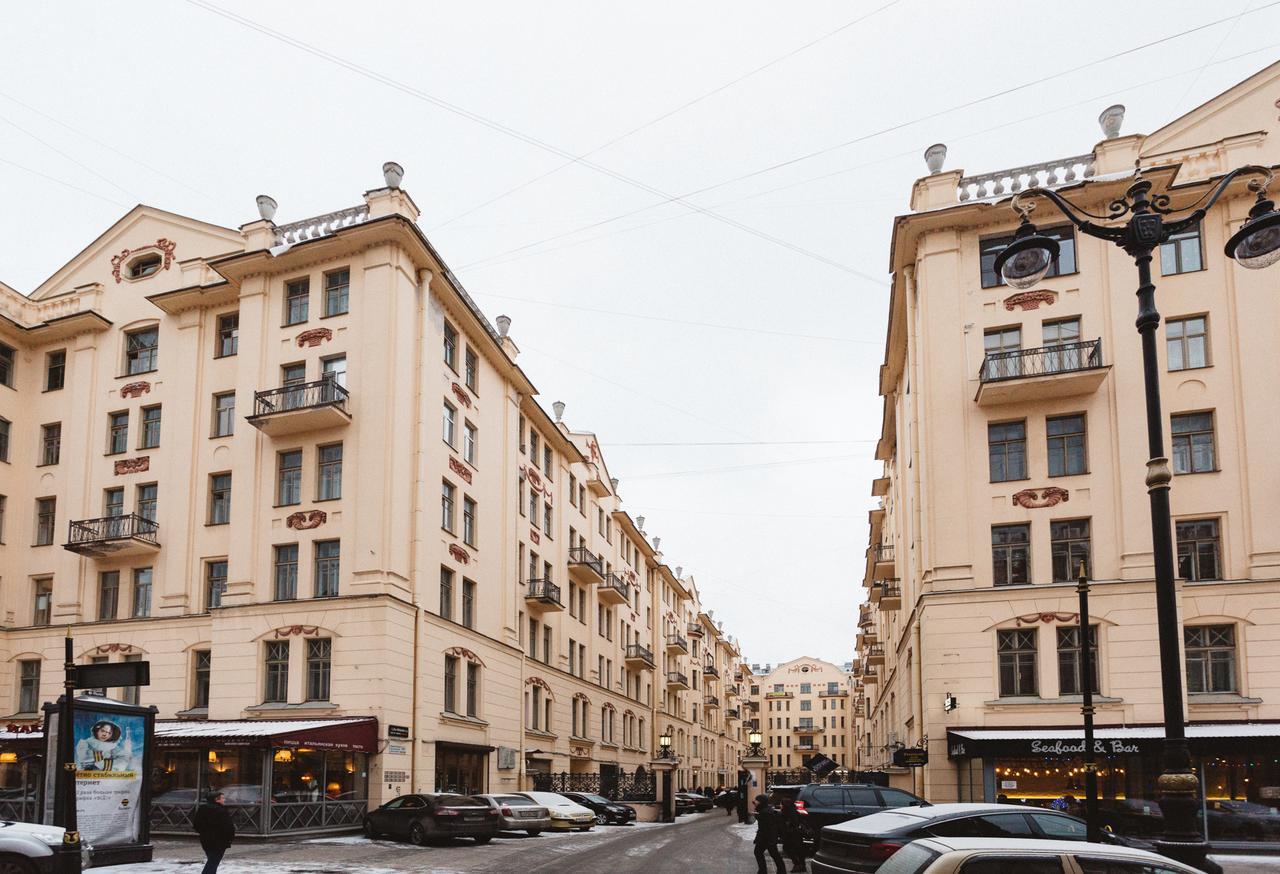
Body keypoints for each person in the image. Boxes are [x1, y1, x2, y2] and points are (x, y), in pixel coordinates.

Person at [193, 790, 236, 874]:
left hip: (205, 840)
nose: (224, 800)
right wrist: (229, 839)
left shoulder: (202, 809)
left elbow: (196, 825)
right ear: (216, 799)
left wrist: (204, 833)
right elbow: (228, 827)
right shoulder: (221, 811)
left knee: (212, 861)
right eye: (223, 798)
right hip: (220, 841)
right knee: (212, 863)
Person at [753, 794, 786, 874]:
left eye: (757, 800)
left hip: (766, 838)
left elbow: (767, 827)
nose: (755, 802)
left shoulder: (765, 812)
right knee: (774, 854)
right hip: (769, 837)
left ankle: (763, 871)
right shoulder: (766, 810)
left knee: (758, 852)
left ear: (761, 802)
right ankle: (781, 871)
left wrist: (770, 840)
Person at [779, 797, 807, 873]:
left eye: (781, 804)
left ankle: (798, 864)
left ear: (785, 805)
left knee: (788, 849)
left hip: (792, 835)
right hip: (796, 834)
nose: (780, 806)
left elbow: (791, 823)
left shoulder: (787, 812)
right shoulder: (794, 811)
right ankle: (801, 865)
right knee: (798, 850)